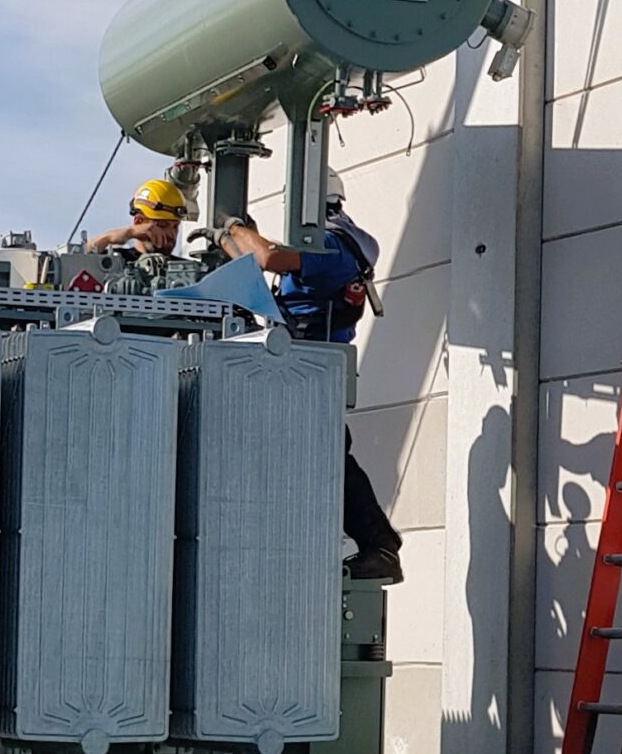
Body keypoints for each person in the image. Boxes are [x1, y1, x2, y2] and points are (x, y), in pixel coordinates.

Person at [215, 183, 403, 584]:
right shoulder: (344, 245)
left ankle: (380, 547)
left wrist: (230, 226)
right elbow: (259, 263)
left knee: (331, 461)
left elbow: (267, 257)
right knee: (320, 461)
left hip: (311, 372)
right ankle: (370, 546)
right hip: (304, 370)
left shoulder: (333, 248)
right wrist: (231, 239)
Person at [86, 175, 190, 257]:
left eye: (175, 226)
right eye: (162, 225)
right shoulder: (113, 262)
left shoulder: (193, 272)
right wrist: (112, 237)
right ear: (139, 222)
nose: (171, 234)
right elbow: (77, 259)